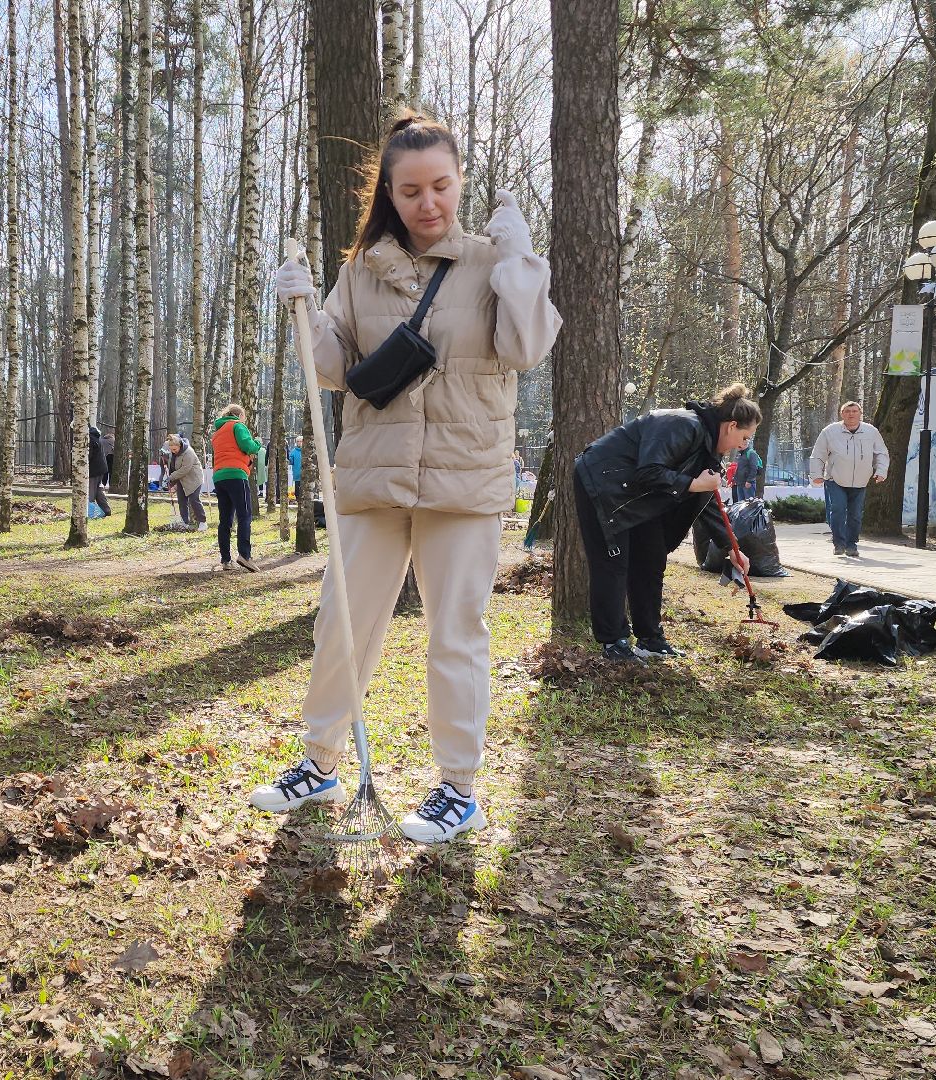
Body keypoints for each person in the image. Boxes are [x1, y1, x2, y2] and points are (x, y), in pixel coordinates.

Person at [257, 111, 560, 844]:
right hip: (373, 477)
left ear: (459, 184)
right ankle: (320, 761)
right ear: (389, 195)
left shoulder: (491, 262)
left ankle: (458, 787)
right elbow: (333, 369)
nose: (429, 204)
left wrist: (522, 263)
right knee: (344, 620)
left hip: (464, 483)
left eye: (441, 187)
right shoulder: (359, 272)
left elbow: (527, 347)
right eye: (411, 191)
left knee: (455, 633)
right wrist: (302, 309)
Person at [573, 385, 759, 663]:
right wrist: (694, 483)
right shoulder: (681, 425)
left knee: (651, 557)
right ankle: (613, 643)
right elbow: (649, 471)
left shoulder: (708, 447)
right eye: (744, 438)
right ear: (731, 426)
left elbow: (705, 499)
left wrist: (730, 548)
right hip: (602, 483)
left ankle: (649, 638)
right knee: (613, 563)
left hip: (637, 494)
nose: (742, 446)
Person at [809, 400, 888, 558]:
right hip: (835, 479)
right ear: (842, 414)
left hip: (860, 481)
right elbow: (818, 454)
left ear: (860, 414)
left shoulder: (871, 432)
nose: (851, 414)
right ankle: (839, 543)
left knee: (855, 514)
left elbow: (881, 453)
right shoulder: (830, 431)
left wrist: (881, 471)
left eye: (854, 411)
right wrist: (816, 475)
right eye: (847, 411)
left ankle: (852, 544)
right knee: (837, 509)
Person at [209, 404, 262, 571]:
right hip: (236, 475)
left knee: (225, 520)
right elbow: (248, 446)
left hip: (219, 477)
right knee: (244, 515)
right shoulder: (237, 426)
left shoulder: (217, 433)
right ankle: (245, 556)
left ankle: (226, 560)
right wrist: (257, 443)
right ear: (239, 415)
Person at [164, 433, 206, 530]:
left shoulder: (188, 452)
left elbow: (185, 469)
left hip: (194, 479)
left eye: (174, 449)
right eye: (171, 450)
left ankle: (203, 522)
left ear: (180, 445)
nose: (173, 452)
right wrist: (172, 484)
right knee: (182, 501)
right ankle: (184, 522)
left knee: (194, 500)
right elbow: (173, 468)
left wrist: (171, 477)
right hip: (182, 480)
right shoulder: (173, 455)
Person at [88, 424, 111, 514]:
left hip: (93, 469)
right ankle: (106, 510)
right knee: (99, 490)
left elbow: (88, 456)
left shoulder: (90, 439)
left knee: (90, 491)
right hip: (101, 468)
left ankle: (90, 511)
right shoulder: (96, 437)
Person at [288, 435, 305, 500]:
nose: (299, 443)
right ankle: (298, 499)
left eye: (300, 441)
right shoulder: (293, 451)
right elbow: (290, 461)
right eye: (298, 441)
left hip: (305, 474)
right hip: (297, 473)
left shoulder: (306, 451)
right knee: (297, 488)